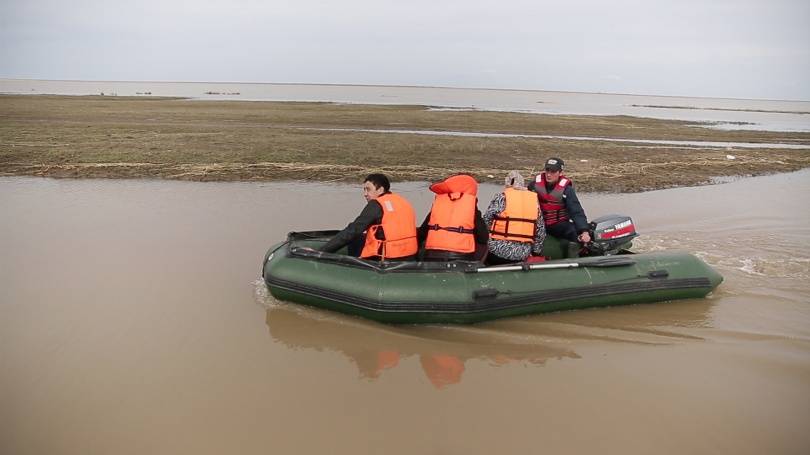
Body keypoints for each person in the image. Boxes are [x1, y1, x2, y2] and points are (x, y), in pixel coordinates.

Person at [320, 173, 418, 261]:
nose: (365, 194)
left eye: (368, 190)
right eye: (364, 190)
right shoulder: (403, 201)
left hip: (387, 258)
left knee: (355, 234)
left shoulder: (376, 204)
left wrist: (322, 251)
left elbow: (353, 230)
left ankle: (353, 268)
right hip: (410, 255)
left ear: (380, 190)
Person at [417, 174, 489, 261]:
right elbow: (483, 237)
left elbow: (422, 232)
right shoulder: (470, 206)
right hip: (461, 257)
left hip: (432, 256)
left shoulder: (439, 203)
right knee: (484, 245)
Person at [528, 157, 591, 253]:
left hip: (558, 225)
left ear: (560, 173)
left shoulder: (567, 190)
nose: (549, 174)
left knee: (577, 234)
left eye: (553, 171)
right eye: (547, 170)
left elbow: (576, 211)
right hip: (538, 224)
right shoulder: (534, 185)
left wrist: (584, 231)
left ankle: (581, 253)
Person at [482, 170, 546, 265]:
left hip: (497, 251)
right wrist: (536, 252)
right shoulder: (533, 201)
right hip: (522, 254)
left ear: (509, 182)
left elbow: (486, 220)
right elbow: (540, 231)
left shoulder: (502, 197)